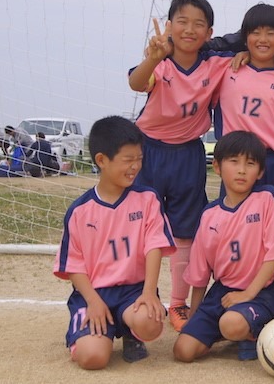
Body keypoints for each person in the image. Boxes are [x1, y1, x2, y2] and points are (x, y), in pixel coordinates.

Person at [128, 0, 232, 334]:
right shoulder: (159, 60)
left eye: (198, 24)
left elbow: (248, 49)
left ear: (209, 32)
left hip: (188, 153)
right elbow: (137, 83)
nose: (189, 29)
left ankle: (177, 303)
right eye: (182, 22)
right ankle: (140, 296)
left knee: (185, 231)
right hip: (148, 151)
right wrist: (152, 58)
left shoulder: (217, 63)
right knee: (141, 228)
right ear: (169, 25)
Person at [53, 116, 176, 369]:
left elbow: (154, 246)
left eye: (139, 158)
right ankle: (92, 335)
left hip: (133, 291)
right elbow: (73, 265)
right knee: (93, 358)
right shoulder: (80, 211)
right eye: (128, 160)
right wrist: (93, 301)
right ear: (102, 160)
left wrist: (148, 292)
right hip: (94, 293)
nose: (135, 166)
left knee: (150, 322)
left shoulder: (147, 199)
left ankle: (132, 332)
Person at [173, 131, 274, 363]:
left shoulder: (266, 198)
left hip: (263, 290)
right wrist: (194, 316)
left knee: (231, 323)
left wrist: (248, 294)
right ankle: (232, 329)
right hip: (224, 291)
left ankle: (256, 328)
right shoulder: (210, 214)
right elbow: (200, 273)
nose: (241, 170)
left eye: (250, 164)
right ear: (217, 167)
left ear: (260, 172)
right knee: (184, 351)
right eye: (234, 161)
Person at [213, 3, 274, 208]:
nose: (263, 39)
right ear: (245, 38)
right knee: (235, 220)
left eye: (270, 33)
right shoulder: (226, 68)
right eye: (255, 33)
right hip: (237, 160)